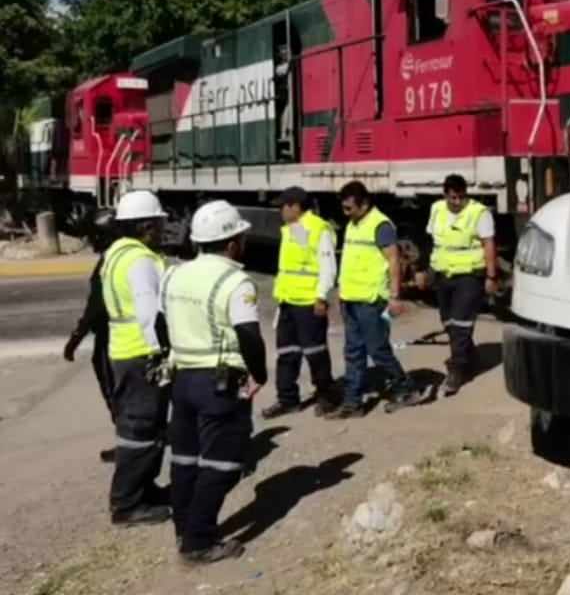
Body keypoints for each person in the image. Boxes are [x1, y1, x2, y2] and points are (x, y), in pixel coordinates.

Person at [161, 199, 267, 565]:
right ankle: (198, 541)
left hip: (182, 379)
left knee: (185, 460)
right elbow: (249, 336)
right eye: (240, 237)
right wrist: (260, 374)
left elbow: (161, 325)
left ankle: (183, 529)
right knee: (223, 463)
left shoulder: (173, 274)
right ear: (231, 243)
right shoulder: (235, 281)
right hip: (219, 383)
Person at [102, 189, 172, 527]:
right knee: (142, 428)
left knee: (144, 426)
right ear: (145, 225)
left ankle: (144, 489)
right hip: (141, 352)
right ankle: (127, 503)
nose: (161, 229)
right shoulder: (141, 260)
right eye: (158, 223)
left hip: (123, 349)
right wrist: (159, 354)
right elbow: (148, 313)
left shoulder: (116, 253)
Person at [327, 180, 418, 418]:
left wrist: (395, 297)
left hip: (371, 300)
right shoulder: (353, 224)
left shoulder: (381, 225)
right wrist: (341, 292)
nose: (345, 213)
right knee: (353, 352)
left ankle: (405, 388)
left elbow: (393, 262)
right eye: (344, 208)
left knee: (378, 350)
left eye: (349, 208)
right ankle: (352, 403)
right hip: (351, 299)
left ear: (364, 203)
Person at [261, 187, 341, 418]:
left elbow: (327, 267)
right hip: (288, 301)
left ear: (295, 206)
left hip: (309, 302)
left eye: (283, 206)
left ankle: (327, 395)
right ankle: (287, 399)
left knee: (315, 352)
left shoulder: (317, 228)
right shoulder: (294, 229)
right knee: (287, 352)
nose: (280, 211)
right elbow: (296, 266)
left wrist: (321, 297)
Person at [425, 174, 499, 395]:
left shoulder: (479, 213)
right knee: (448, 322)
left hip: (469, 275)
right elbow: (433, 241)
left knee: (460, 324)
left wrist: (491, 276)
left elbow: (488, 244)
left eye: (461, 197)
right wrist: (426, 269)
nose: (457, 201)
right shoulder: (437, 209)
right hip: (443, 273)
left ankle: (456, 371)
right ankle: (470, 357)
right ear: (445, 194)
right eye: (453, 197)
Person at [63, 208, 120, 463]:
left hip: (112, 339)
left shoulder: (109, 262)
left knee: (114, 393)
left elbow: (95, 307)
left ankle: (128, 447)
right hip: (127, 336)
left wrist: (76, 337)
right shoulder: (129, 257)